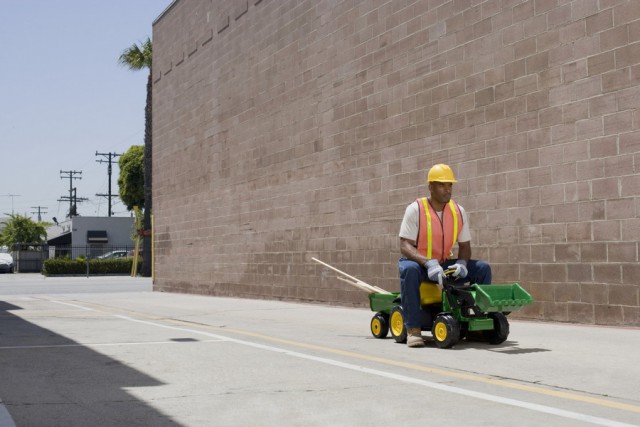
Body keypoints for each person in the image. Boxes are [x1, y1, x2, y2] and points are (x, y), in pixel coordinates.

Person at [398, 163, 492, 348]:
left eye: (450, 185)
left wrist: (463, 264)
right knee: (409, 270)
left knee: (482, 268)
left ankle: (478, 323)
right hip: (418, 264)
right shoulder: (415, 209)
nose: (447, 189)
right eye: (442, 185)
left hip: (442, 264)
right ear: (430, 186)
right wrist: (428, 262)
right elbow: (404, 245)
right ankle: (413, 329)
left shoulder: (459, 211)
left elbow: (465, 246)